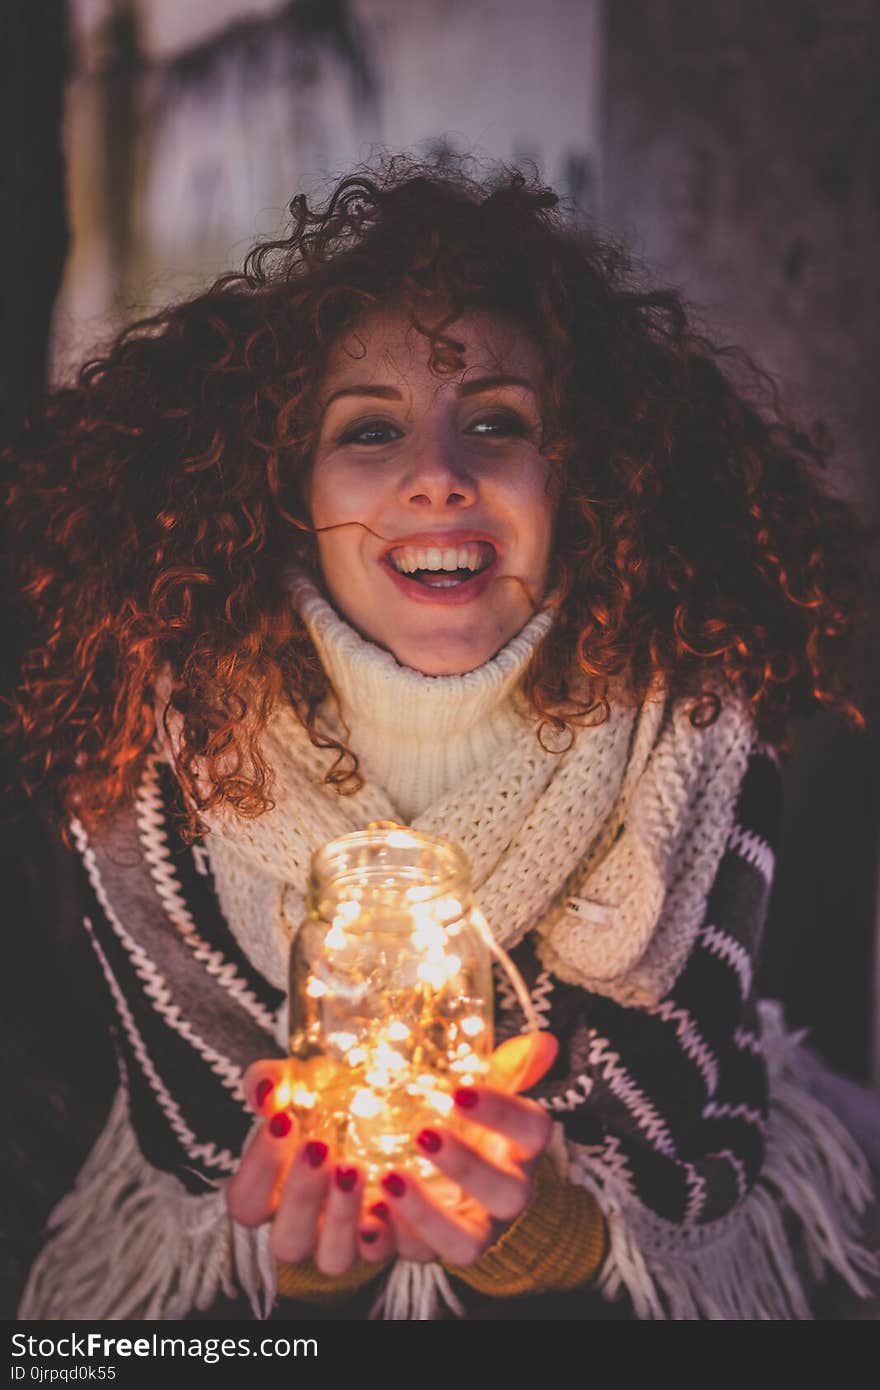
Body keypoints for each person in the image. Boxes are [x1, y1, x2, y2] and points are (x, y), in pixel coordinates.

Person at [4, 156, 878, 1321]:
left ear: (579, 478)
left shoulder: (705, 723)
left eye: (496, 424)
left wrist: (555, 1238)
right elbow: (194, 1113)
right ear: (288, 490)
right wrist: (294, 1269)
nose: (437, 476)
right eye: (369, 429)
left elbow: (677, 1122)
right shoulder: (154, 752)